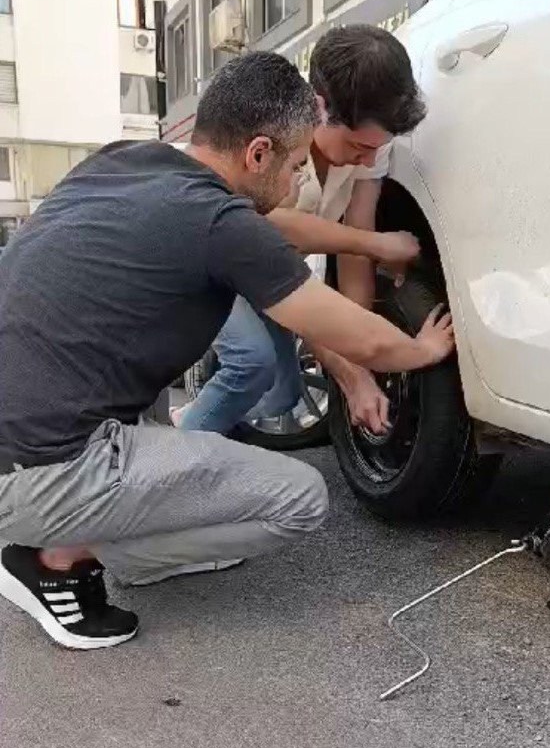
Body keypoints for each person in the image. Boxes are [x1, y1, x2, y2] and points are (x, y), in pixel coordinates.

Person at [0, 51, 454, 651]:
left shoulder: (121, 162)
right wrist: (420, 350)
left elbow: (284, 235)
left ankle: (88, 525)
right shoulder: (220, 221)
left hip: (21, 432)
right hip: (40, 471)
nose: (298, 182)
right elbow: (360, 334)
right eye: (294, 165)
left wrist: (367, 246)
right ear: (258, 152)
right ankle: (59, 556)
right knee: (299, 498)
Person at [174, 25, 427, 438]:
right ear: (319, 108)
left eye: (377, 150)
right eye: (359, 148)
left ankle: (191, 425)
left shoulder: (370, 149)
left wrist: (356, 358)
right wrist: (351, 373)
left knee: (282, 395)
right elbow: (275, 240)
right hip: (215, 257)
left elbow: (352, 256)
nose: (367, 162)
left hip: (263, 272)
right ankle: (172, 459)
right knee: (251, 361)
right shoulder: (276, 148)